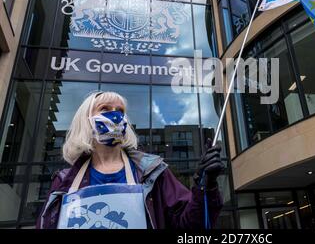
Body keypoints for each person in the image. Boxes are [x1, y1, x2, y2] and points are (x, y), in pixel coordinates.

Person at [36, 91, 225, 229]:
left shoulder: (153, 173)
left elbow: (190, 227)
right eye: (105, 109)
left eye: (120, 110)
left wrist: (205, 186)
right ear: (86, 120)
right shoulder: (64, 182)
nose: (116, 115)